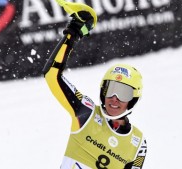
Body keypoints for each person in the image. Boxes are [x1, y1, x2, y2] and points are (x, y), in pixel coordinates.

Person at [43, 10, 147, 169]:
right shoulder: (86, 112)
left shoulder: (138, 143)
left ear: (132, 100)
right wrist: (74, 32)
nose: (114, 98)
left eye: (123, 93)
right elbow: (52, 75)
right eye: (110, 89)